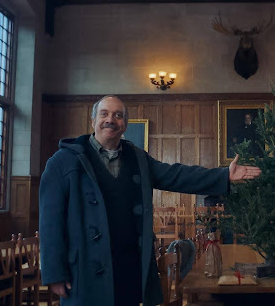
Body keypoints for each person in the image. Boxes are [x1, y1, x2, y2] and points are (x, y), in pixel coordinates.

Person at [39, 95, 261, 306]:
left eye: (118, 115)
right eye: (104, 114)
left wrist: (223, 175)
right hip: (84, 270)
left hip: (128, 268)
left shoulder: (137, 158)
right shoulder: (63, 161)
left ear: (125, 124)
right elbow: (50, 221)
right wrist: (54, 272)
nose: (110, 120)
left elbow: (176, 175)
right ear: (93, 120)